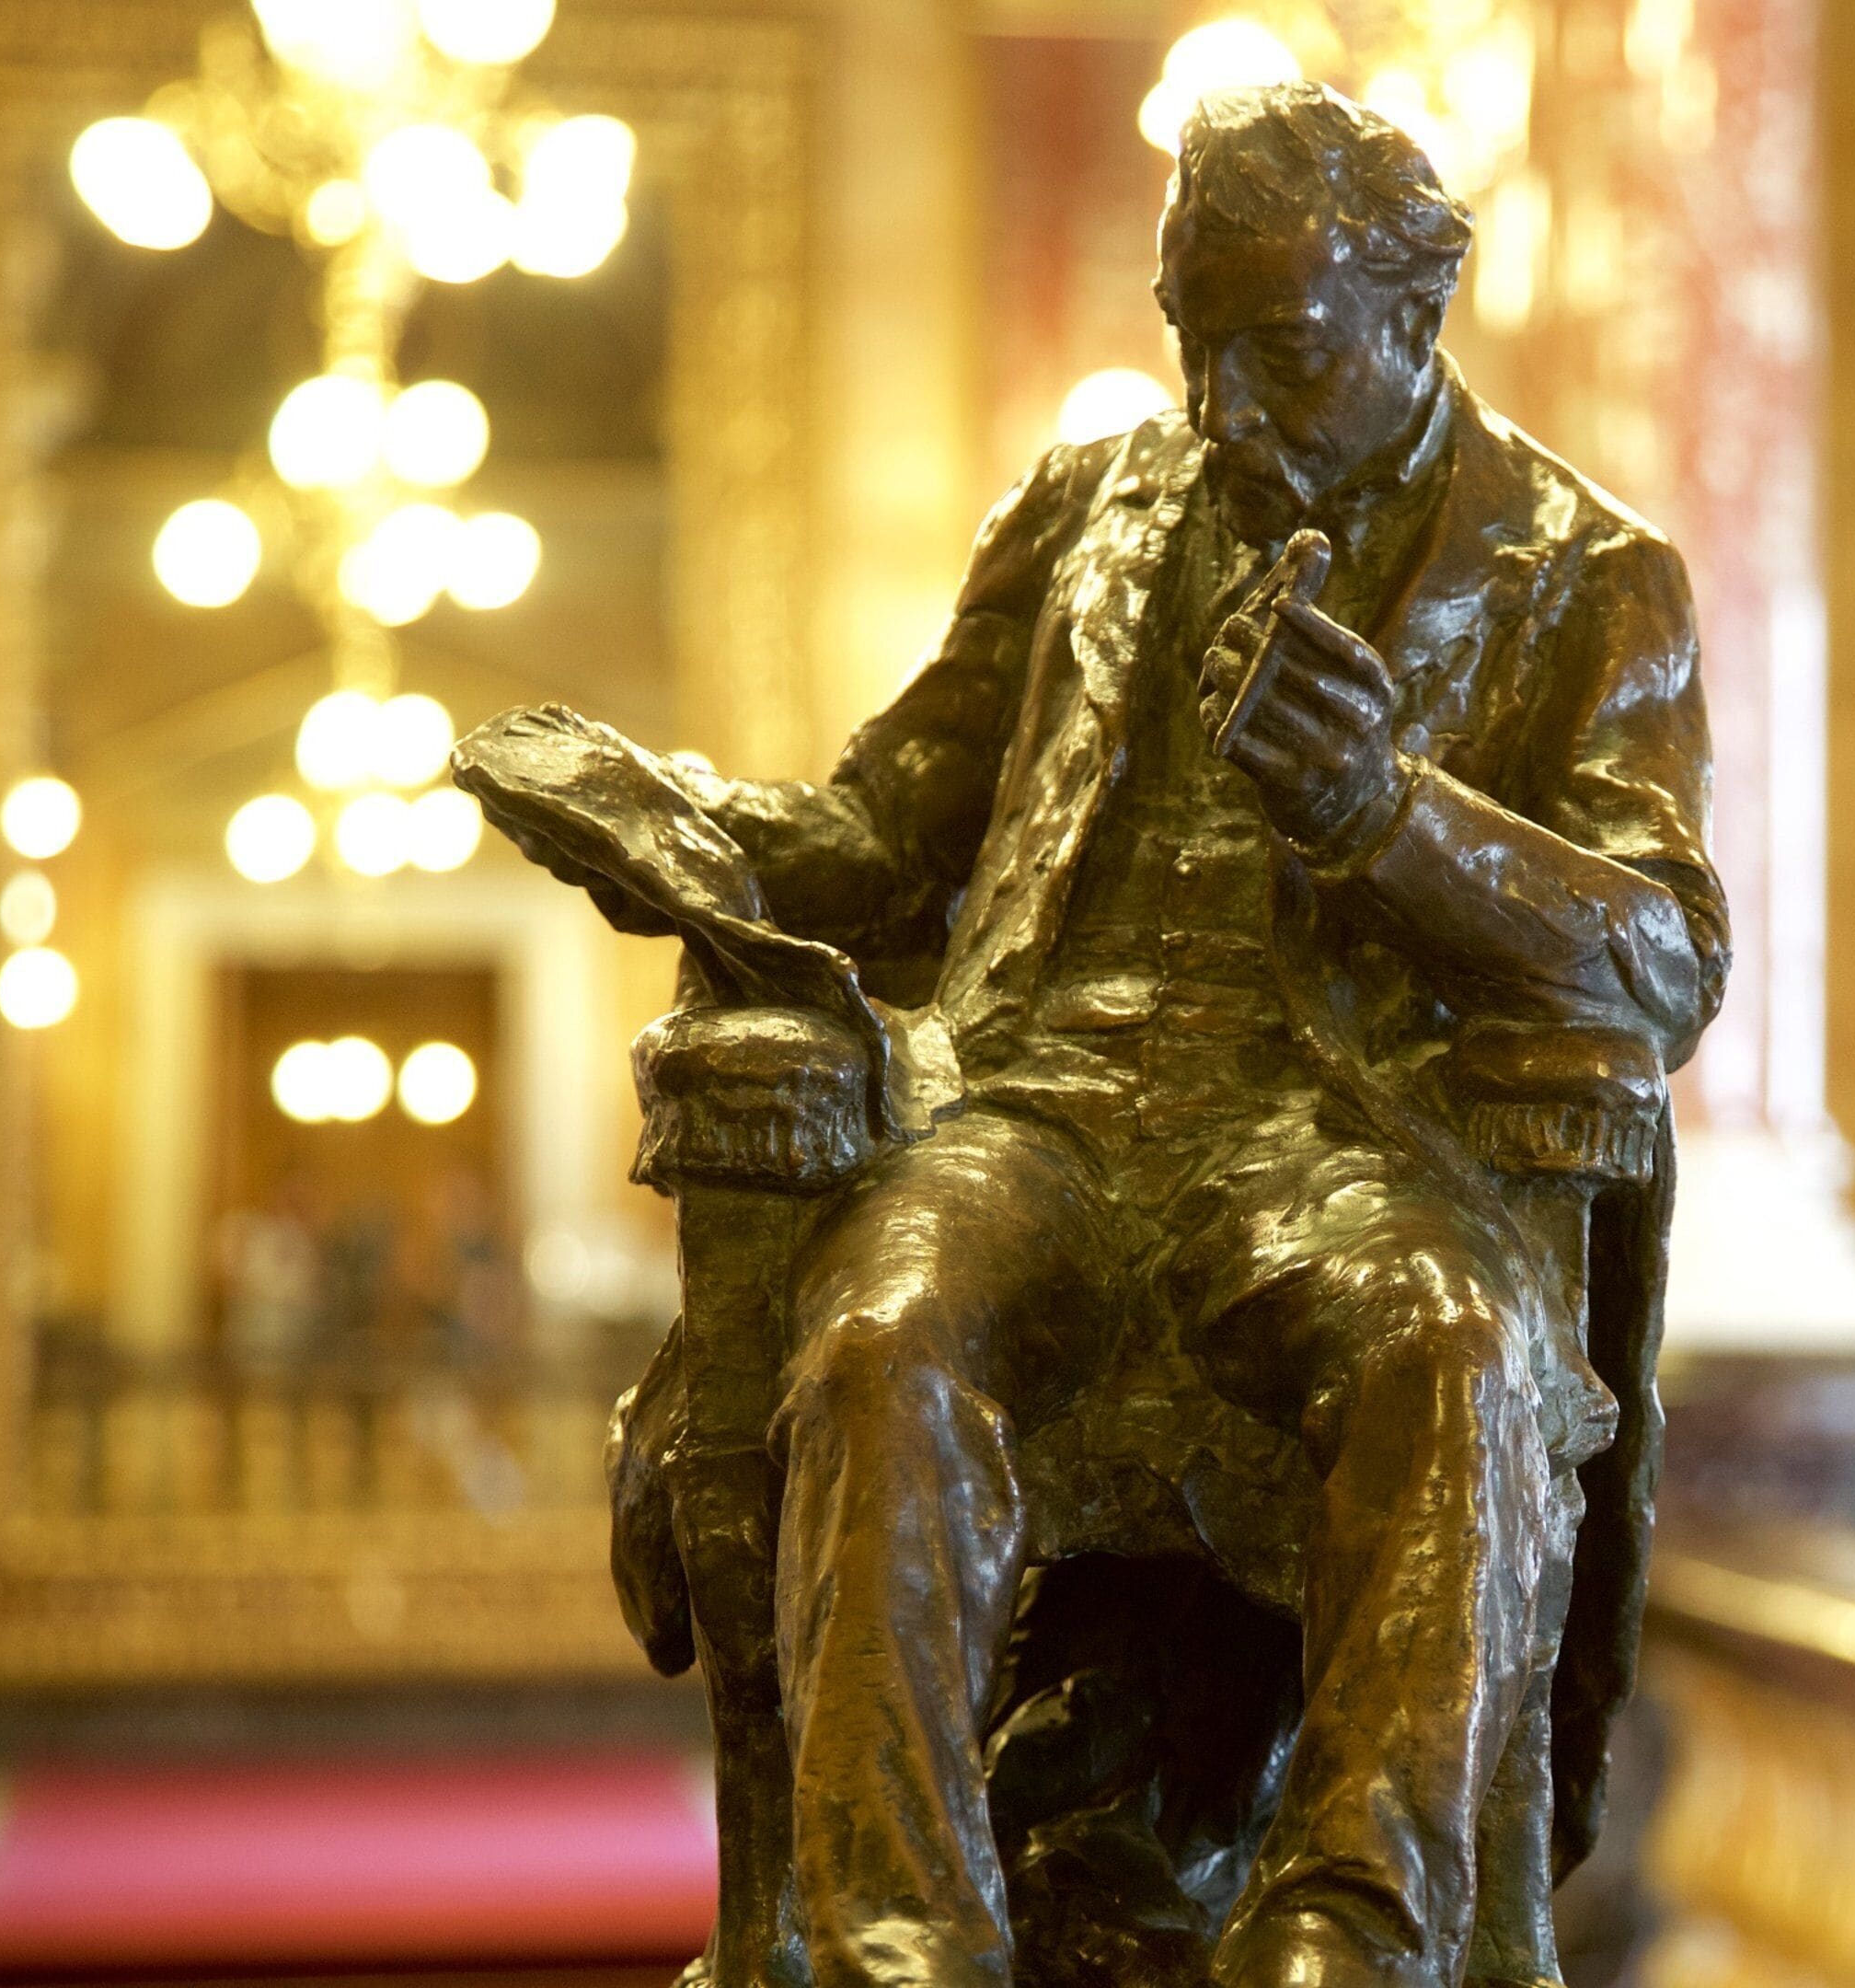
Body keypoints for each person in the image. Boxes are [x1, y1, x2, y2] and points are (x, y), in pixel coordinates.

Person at [594, 85, 1722, 1988]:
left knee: (1453, 1346)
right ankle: (895, 1933)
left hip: (1349, 1138)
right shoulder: (1082, 509)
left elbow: (1664, 955)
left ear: (1416, 305)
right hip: (1043, 1106)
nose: (1227, 408)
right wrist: (684, 828)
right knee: (879, 1331)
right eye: (1197, 344)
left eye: (1282, 351)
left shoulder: (1581, 573)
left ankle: (1352, 1924)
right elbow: (893, 830)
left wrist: (1391, 814)